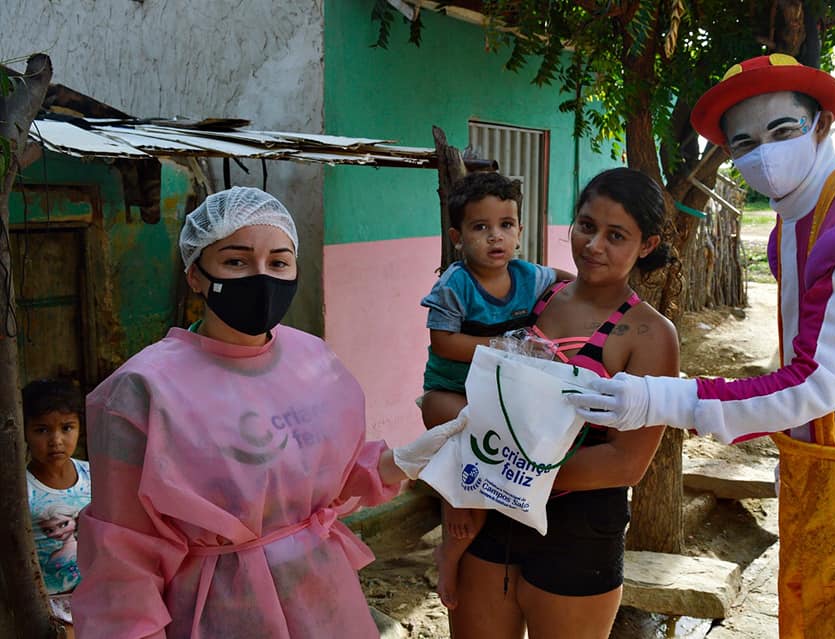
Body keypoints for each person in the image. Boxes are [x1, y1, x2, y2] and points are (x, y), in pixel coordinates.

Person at [567, 54, 835, 638]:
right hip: (825, 466)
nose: (765, 153)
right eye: (744, 142)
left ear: (822, 123)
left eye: (782, 130)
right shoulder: (794, 226)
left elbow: (820, 381)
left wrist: (662, 399)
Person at [72, 186, 465, 639]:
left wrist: (402, 462)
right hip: (220, 612)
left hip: (325, 599)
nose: (261, 277)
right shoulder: (141, 391)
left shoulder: (312, 360)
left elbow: (335, 476)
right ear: (195, 274)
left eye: (279, 262)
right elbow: (122, 556)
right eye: (235, 261)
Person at [449, 167, 676, 639]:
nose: (594, 246)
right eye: (587, 226)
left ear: (647, 246)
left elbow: (626, 461)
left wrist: (509, 471)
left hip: (577, 529)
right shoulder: (537, 293)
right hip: (493, 515)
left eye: (616, 236)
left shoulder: (650, 335)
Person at [419, 171, 571, 609]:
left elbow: (571, 284)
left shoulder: (530, 276)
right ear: (457, 237)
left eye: (505, 225)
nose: (495, 237)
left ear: (520, 231)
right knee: (472, 434)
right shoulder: (455, 285)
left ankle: (456, 538)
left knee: (496, 456)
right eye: (480, 228)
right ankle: (451, 538)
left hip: (497, 401)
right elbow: (443, 342)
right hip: (448, 395)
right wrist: (503, 347)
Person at [24, 379, 90, 638]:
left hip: (96, 596)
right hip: (47, 606)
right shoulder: (20, 491)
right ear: (25, 432)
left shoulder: (93, 474)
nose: (56, 440)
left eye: (67, 427)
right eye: (42, 430)